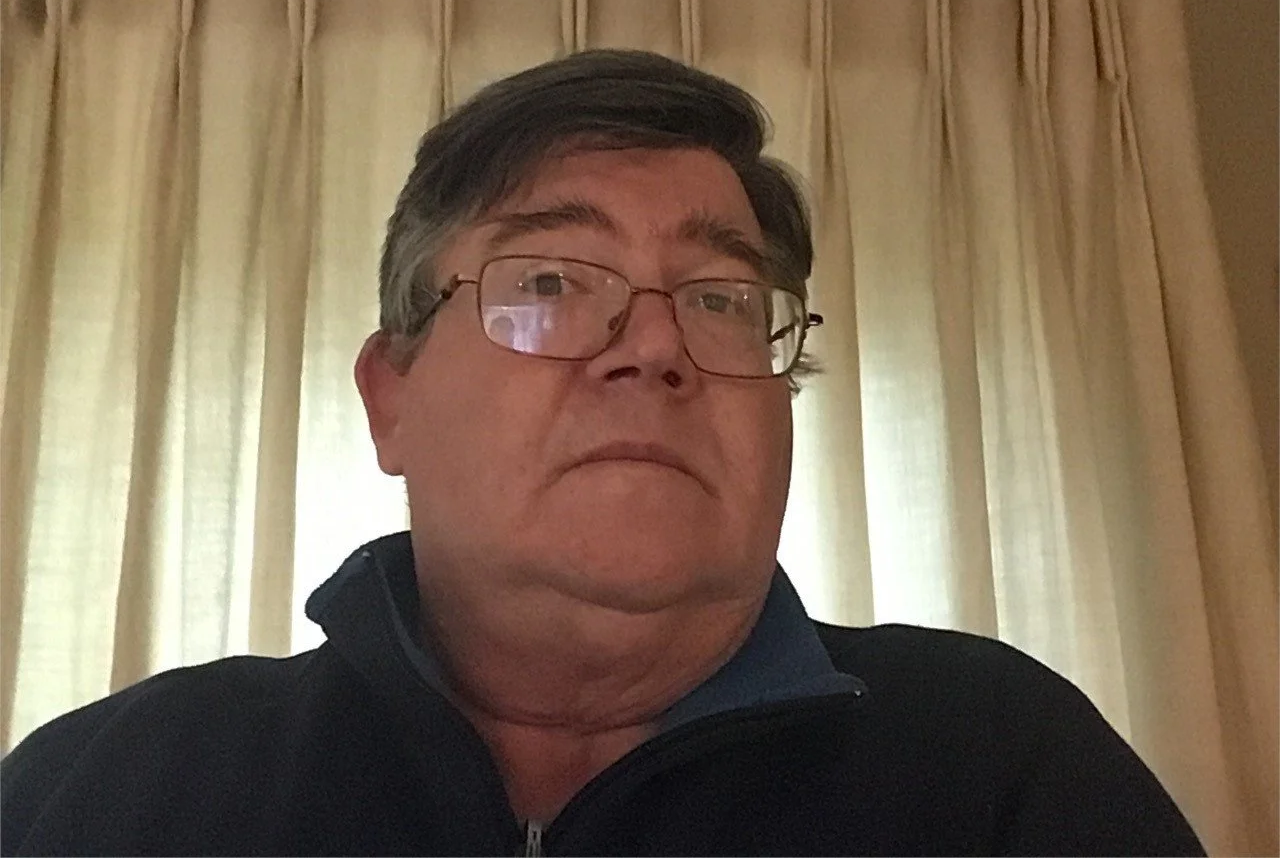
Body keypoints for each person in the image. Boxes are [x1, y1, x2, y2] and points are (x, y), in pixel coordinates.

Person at [1, 50, 1205, 857]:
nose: (655, 347)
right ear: (391, 397)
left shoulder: (997, 766)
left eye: (720, 298)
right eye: (546, 283)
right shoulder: (114, 786)